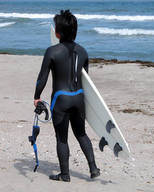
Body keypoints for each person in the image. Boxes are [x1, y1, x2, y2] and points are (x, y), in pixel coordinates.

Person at [34, 10, 100, 182]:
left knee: (62, 138)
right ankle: (93, 168)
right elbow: (86, 80)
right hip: (78, 97)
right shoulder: (84, 52)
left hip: (61, 99)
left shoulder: (52, 51)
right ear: (75, 31)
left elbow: (42, 78)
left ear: (57, 33)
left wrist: (36, 97)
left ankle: (65, 175)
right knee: (81, 134)